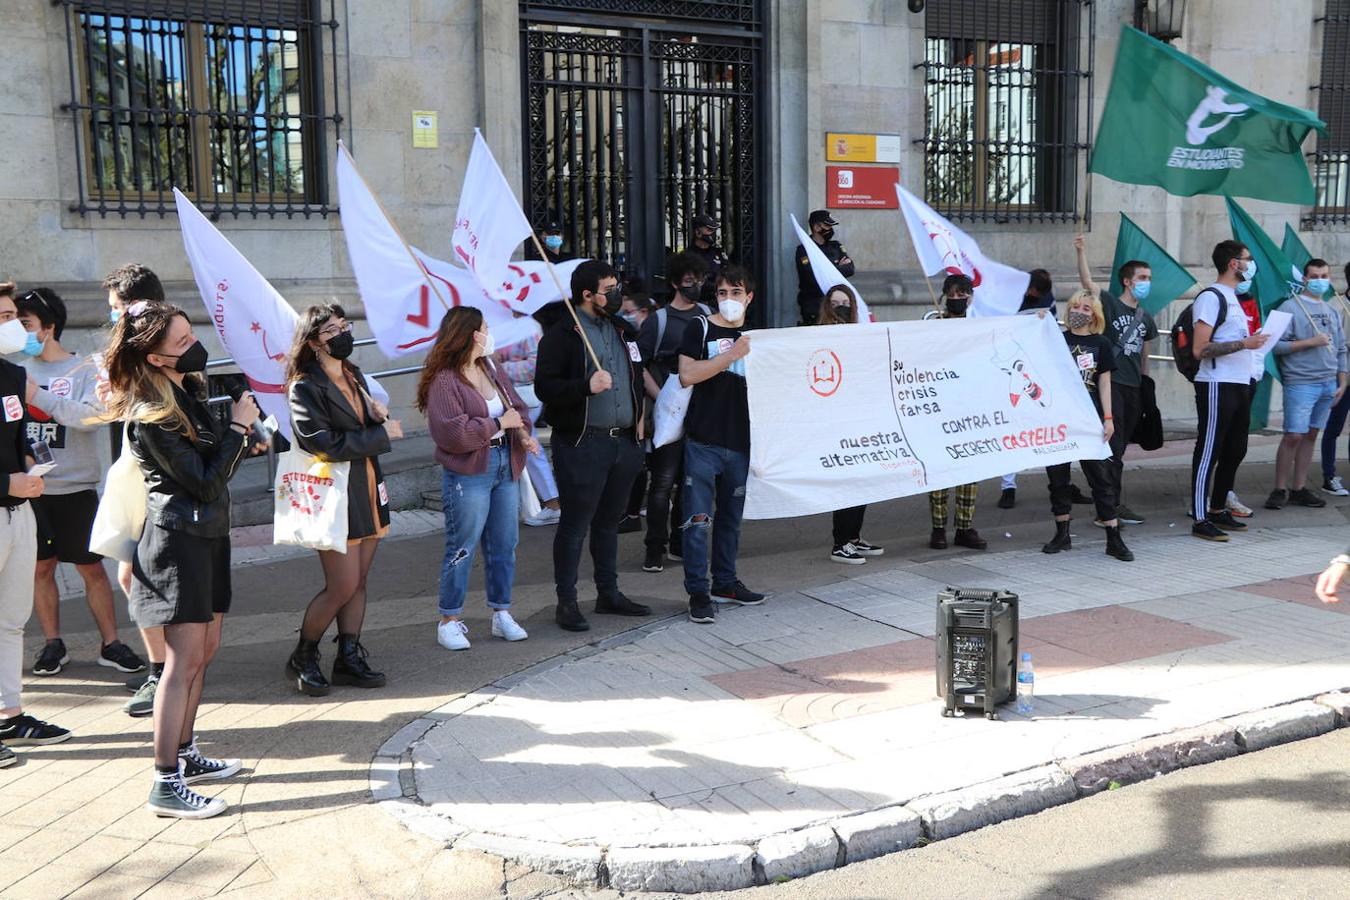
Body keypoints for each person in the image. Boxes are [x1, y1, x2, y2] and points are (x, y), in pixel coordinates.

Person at [105, 300, 251, 818]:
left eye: (192, 336)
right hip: (176, 545)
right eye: (182, 343)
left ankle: (186, 753)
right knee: (180, 660)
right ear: (157, 358)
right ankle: (166, 782)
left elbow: (211, 469)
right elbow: (205, 481)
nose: (195, 347)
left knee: (205, 650)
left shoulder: (184, 392)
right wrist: (238, 430)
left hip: (207, 536)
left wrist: (237, 436)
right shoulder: (151, 414)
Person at [8, 288, 145, 680]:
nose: (20, 333)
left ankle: (111, 643)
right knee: (41, 569)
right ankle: (53, 643)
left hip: (77, 489)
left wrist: (42, 398)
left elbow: (93, 417)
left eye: (27, 325)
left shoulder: (87, 368)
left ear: (49, 328)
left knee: (91, 568)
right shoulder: (15, 370)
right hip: (32, 491)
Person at [285, 305, 402, 696]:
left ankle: (348, 656)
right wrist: (384, 435)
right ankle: (304, 654)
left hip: (367, 486)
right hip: (334, 494)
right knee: (342, 584)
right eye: (332, 329)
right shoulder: (304, 386)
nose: (342, 334)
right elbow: (322, 443)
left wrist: (377, 415)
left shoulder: (353, 375)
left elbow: (360, 426)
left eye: (344, 326)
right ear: (314, 341)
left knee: (360, 581)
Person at [535, 260, 650, 631]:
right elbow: (545, 388)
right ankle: (566, 601)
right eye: (609, 289)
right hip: (583, 443)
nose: (617, 295)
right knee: (575, 524)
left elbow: (636, 375)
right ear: (587, 295)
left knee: (609, 523)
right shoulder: (562, 333)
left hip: (624, 443)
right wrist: (584, 386)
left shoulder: (622, 329)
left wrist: (641, 414)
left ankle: (608, 592)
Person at [421, 307, 538, 651]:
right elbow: (452, 434)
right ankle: (449, 618)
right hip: (469, 471)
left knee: (505, 544)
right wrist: (498, 425)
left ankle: (501, 612)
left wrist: (521, 431)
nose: (490, 333)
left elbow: (517, 409)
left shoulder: (491, 367)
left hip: (505, 463)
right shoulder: (445, 379)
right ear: (474, 334)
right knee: (462, 544)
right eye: (486, 327)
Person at [0, 297, 70, 771]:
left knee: (10, 618)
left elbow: (19, 433)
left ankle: (10, 715)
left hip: (18, 512)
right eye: (5, 318)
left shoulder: (9, 375)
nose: (15, 326)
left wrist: (29, 464)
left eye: (13, 317)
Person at [677, 265, 766, 623]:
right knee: (698, 521)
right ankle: (698, 591)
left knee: (731, 521)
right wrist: (730, 356)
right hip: (703, 440)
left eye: (735, 292)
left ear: (749, 297)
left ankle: (725, 583)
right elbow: (687, 375)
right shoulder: (698, 328)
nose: (728, 299)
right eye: (722, 293)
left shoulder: (759, 336)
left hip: (741, 443)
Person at [102, 262, 169, 716]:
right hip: (133, 481)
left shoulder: (162, 348)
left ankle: (164, 671)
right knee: (132, 576)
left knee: (136, 578)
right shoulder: (131, 357)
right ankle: (164, 668)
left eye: (115, 309)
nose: (112, 317)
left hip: (158, 484)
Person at [1039, 291, 1133, 561]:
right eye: (1076, 306)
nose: (1080, 311)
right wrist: (1039, 321)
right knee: (1058, 477)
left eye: (1086, 308)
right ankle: (1062, 533)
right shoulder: (1056, 340)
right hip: (1059, 418)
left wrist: (1108, 417)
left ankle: (1113, 538)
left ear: (1095, 315)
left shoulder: (1101, 343)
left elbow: (1104, 382)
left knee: (1100, 478)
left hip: (1089, 418)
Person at [1074, 236, 1160, 526]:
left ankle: (1113, 503)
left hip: (1134, 388)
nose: (1147, 282)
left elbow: (1145, 355)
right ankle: (1108, 508)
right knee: (1112, 447)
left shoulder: (1145, 317)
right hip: (1113, 386)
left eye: (1149, 277)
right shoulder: (1110, 303)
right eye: (1142, 277)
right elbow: (1088, 282)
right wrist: (1081, 250)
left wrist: (1146, 385)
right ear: (1127, 281)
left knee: (1121, 448)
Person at [1190, 240, 1270, 542]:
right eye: (1248, 259)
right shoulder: (1211, 297)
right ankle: (1199, 517)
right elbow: (1200, 349)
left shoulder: (1233, 298)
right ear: (1233, 263)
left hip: (1240, 382)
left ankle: (1218, 507)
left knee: (1236, 449)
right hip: (1216, 383)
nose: (1251, 265)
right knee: (1209, 449)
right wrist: (1244, 344)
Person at [636, 253, 711, 573]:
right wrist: (661, 397)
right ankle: (655, 548)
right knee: (663, 482)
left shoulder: (708, 314)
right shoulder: (659, 321)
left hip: (700, 412)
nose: (696, 285)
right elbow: (638, 365)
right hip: (669, 412)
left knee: (690, 482)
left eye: (700, 280)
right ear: (675, 283)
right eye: (690, 280)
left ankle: (681, 544)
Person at [1266, 259, 1347, 511]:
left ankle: (1299, 488)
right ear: (1304, 279)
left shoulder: (1333, 310)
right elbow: (1273, 344)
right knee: (1293, 435)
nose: (1320, 280)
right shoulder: (1289, 307)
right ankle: (1279, 488)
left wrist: (1342, 380)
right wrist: (1308, 343)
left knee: (1311, 434)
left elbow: (1342, 349)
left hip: (1328, 382)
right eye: (1314, 276)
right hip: (1300, 381)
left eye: (1324, 275)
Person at [819, 285, 885, 565]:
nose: (842, 307)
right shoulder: (816, 335)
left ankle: (854, 536)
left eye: (846, 302)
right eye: (836, 303)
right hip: (836, 420)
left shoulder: (858, 334)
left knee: (863, 479)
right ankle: (840, 542)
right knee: (845, 482)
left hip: (860, 416)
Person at [928, 275, 987, 552]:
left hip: (969, 408)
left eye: (962, 294)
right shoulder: (930, 328)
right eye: (952, 294)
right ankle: (938, 528)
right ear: (943, 297)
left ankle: (965, 527)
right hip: (939, 409)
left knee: (969, 471)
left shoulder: (979, 329)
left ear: (970, 297)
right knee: (939, 472)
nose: (957, 298)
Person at [493, 323, 562, 527]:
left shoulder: (528, 327)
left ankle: (552, 503)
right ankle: (548, 503)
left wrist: (499, 366)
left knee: (529, 446)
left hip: (523, 395)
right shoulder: (500, 324)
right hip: (508, 395)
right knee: (525, 447)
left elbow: (534, 365)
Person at [619, 278, 657, 534]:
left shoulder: (647, 335)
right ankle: (632, 512)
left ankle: (632, 513)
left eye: (628, 311)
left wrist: (661, 397)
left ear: (644, 312)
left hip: (650, 403)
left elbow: (641, 371)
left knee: (641, 458)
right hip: (644, 402)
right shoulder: (633, 333)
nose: (624, 316)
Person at [1320, 262, 1350, 496]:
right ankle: (1329, 476)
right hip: (1343, 376)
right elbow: (1333, 344)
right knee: (1334, 426)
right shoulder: (1337, 307)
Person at [795, 210, 855, 325]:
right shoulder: (804, 249)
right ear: (817, 227)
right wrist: (837, 268)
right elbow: (811, 276)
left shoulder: (836, 246)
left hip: (837, 304)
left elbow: (850, 269)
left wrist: (824, 270)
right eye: (827, 226)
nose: (830, 229)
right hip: (814, 305)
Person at [683, 214, 727, 304]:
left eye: (714, 230)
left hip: (718, 301)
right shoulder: (687, 256)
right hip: (697, 302)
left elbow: (728, 273)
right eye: (709, 230)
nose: (713, 233)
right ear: (698, 232)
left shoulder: (718, 253)